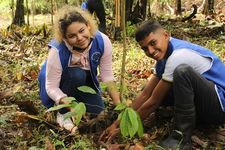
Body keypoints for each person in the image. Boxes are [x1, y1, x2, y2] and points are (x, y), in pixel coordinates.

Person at [100, 20, 225, 149]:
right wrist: (117, 123)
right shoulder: (165, 53)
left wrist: (125, 128)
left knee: (182, 72)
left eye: (153, 43)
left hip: (220, 106)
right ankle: (190, 120)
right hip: (206, 100)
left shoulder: (178, 55)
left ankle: (181, 138)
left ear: (166, 35)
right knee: (153, 86)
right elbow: (146, 94)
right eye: (145, 48)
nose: (151, 51)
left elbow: (153, 101)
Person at [38, 5, 120, 133]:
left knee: (98, 110)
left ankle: (78, 103)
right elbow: (51, 86)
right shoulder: (57, 50)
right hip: (60, 84)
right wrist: (69, 106)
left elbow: (107, 76)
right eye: (72, 36)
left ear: (88, 25)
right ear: (64, 38)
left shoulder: (102, 41)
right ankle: (62, 112)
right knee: (77, 74)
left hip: (84, 83)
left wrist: (118, 103)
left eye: (82, 31)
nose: (80, 38)